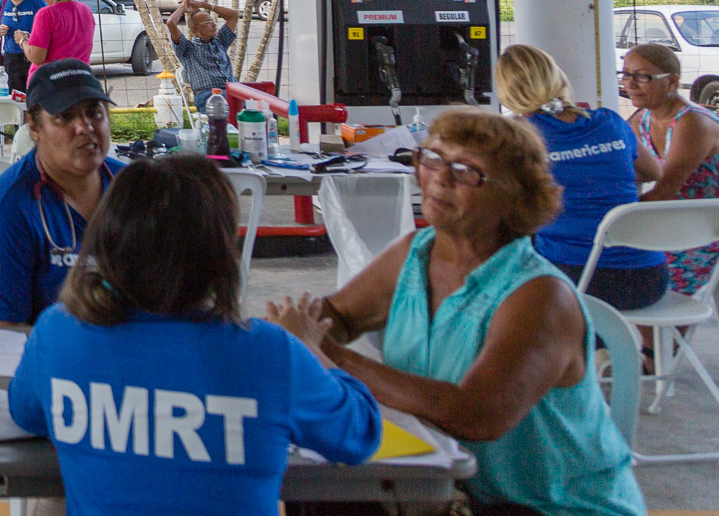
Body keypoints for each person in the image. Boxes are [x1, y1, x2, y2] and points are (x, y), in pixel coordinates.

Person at [271, 109, 644, 516]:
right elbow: (334, 319)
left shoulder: (539, 295)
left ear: (515, 197)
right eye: (431, 158)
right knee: (322, 490)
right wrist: (279, 333)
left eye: (466, 171)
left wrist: (328, 355)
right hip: (452, 486)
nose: (440, 177)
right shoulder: (416, 252)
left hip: (549, 507)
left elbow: (477, 415)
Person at [10, 155, 380, 516]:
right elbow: (360, 435)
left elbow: (27, 413)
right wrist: (310, 345)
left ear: (108, 239)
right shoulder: (272, 353)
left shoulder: (57, 333)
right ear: (219, 257)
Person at [494, 44, 664, 310]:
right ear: (558, 77)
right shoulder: (610, 120)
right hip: (649, 278)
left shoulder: (520, 137)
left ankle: (583, 349)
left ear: (507, 94)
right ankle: (612, 349)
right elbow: (653, 172)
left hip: (576, 280)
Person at [0, 60, 122, 328]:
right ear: (35, 128)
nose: (85, 127)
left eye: (95, 112)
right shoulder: (5, 213)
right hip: (40, 362)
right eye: (65, 116)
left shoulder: (132, 189)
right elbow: (0, 333)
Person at [622, 41, 719, 295]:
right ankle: (653, 336)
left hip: (706, 229)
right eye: (626, 74)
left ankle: (669, 333)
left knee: (641, 278)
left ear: (672, 81)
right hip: (680, 222)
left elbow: (666, 191)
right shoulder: (642, 119)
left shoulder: (692, 122)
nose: (630, 83)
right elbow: (626, 172)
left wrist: (613, 218)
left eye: (643, 76)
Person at [23, 0, 93, 77]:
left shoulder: (46, 14)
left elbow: (37, 57)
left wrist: (22, 41)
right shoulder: (85, 9)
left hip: (50, 83)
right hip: (81, 79)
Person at [166, 0, 239, 108]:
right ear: (195, 28)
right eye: (209, 22)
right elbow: (171, 23)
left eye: (213, 22)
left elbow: (233, 15)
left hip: (233, 90)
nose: (214, 25)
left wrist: (204, 5)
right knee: (241, 107)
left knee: (261, 102)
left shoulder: (219, 42)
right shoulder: (188, 48)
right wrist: (182, 7)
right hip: (208, 95)